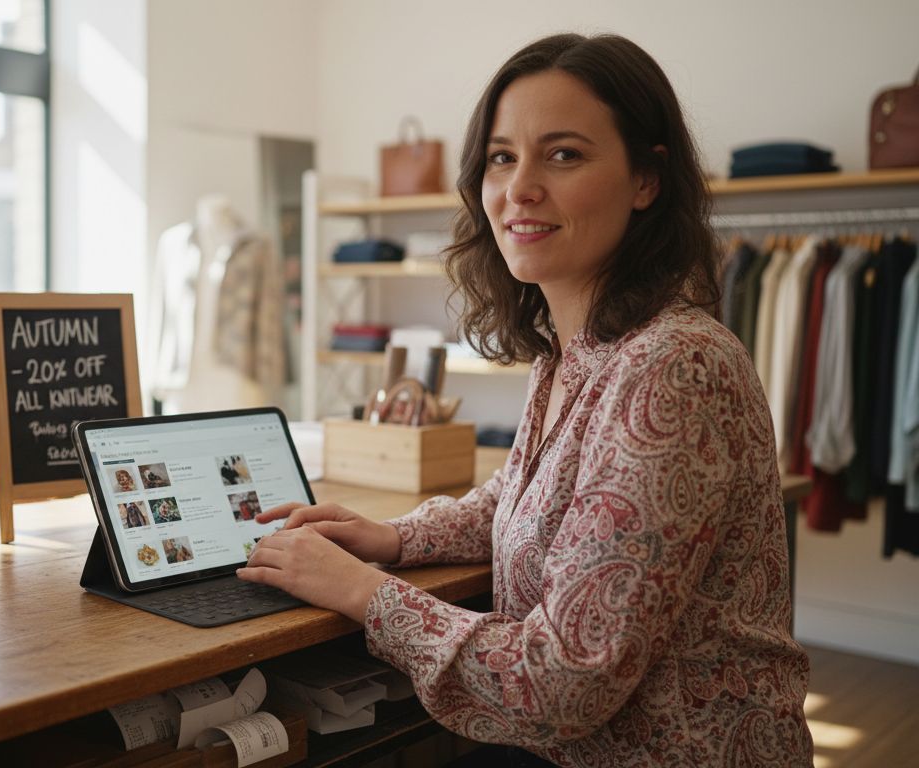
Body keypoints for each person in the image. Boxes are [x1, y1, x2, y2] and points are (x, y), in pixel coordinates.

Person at [237, 33, 812, 767]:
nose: (520, 188)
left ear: (647, 179)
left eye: (564, 154)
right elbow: (533, 493)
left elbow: (565, 682)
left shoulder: (677, 366)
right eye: (502, 157)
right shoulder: (572, 351)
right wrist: (396, 538)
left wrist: (362, 591)